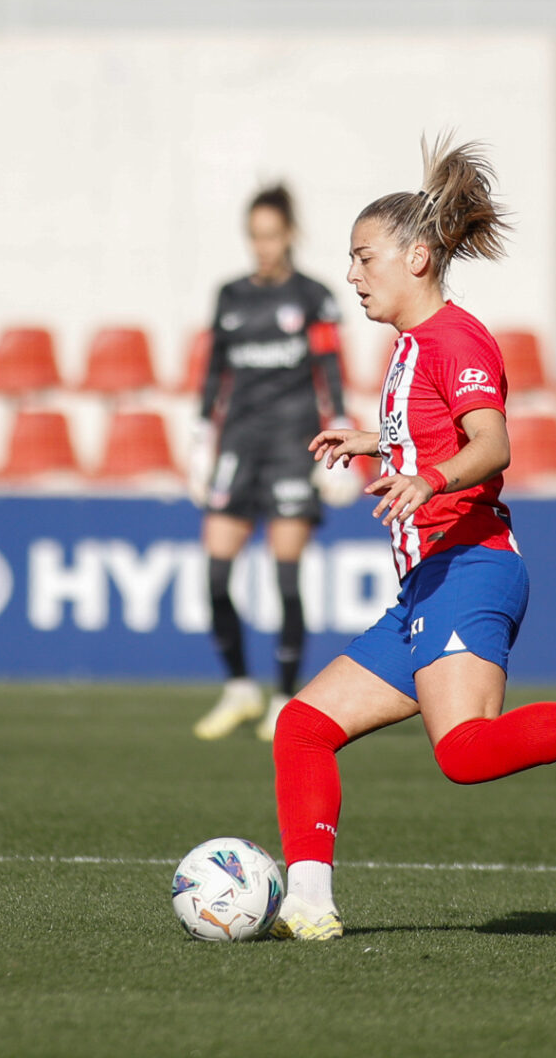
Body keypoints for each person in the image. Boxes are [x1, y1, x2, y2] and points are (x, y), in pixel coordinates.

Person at [269, 136, 556, 942]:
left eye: (363, 257)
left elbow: (492, 444)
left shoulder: (456, 339)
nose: (351, 275)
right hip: (427, 582)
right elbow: (433, 435)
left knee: (464, 753)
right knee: (302, 727)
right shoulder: (411, 345)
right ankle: (308, 905)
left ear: (417, 256)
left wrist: (432, 479)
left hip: (471, 569)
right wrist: (376, 446)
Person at [188, 185, 348, 743]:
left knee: (286, 573)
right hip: (238, 444)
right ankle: (238, 687)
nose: (263, 246)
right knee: (214, 573)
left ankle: (284, 698)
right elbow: (215, 374)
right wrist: (200, 439)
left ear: (290, 235)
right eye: (255, 236)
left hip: (292, 445)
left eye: (272, 235)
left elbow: (330, 372)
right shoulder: (230, 295)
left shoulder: (314, 297)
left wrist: (340, 445)